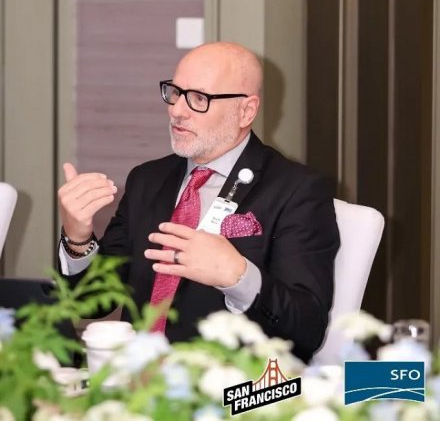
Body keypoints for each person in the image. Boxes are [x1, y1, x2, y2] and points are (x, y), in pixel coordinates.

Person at [58, 42, 340, 362]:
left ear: (246, 111)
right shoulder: (147, 180)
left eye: (199, 98)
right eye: (175, 92)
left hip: (225, 380)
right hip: (135, 377)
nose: (177, 110)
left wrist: (238, 276)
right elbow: (93, 303)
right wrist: (77, 238)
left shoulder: (296, 190)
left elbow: (306, 328)